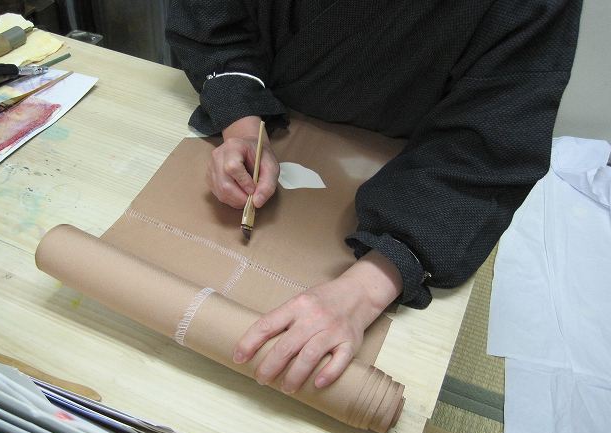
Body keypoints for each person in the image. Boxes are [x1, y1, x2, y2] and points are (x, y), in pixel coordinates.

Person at [166, 0, 583, 394]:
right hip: (273, 102)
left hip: (413, 151)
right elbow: (213, 15)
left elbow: (491, 137)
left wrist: (365, 290)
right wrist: (243, 126)